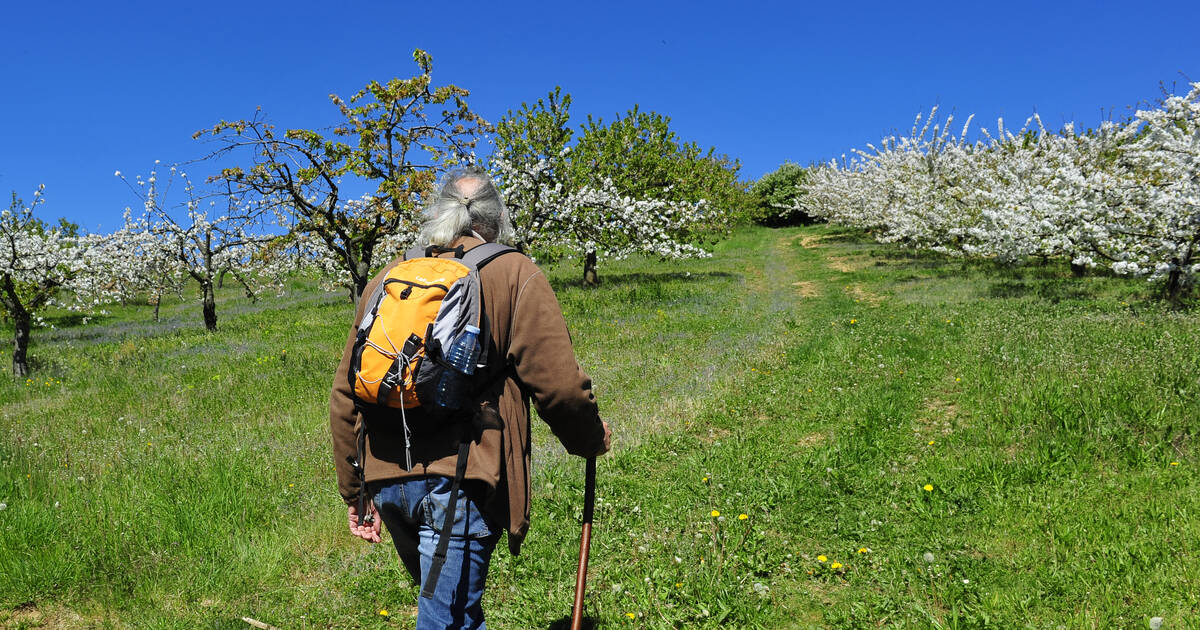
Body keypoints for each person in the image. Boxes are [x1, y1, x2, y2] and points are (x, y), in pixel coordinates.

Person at [329, 166, 612, 629]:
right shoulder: (513, 271)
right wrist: (587, 438)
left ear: (437, 214)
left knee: (451, 610)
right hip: (460, 476)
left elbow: (346, 391)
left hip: (387, 479)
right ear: (495, 218)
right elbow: (558, 385)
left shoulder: (389, 276)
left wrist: (356, 490)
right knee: (449, 620)